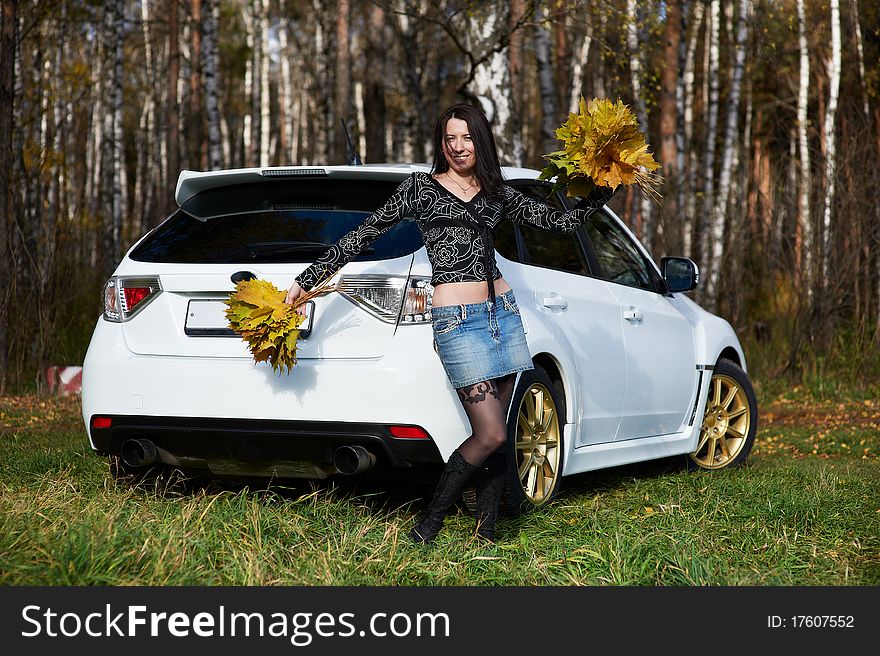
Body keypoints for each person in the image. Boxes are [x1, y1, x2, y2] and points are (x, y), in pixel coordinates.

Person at [285, 103, 613, 544]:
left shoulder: (497, 193)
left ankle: (488, 532)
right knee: (491, 432)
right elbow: (364, 233)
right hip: (456, 322)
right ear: (441, 144)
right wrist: (308, 278)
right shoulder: (421, 189)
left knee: (500, 430)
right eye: (450, 139)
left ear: (481, 140)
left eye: (467, 138)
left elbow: (562, 223)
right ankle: (428, 526)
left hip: (503, 318)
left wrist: (605, 186)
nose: (459, 147)